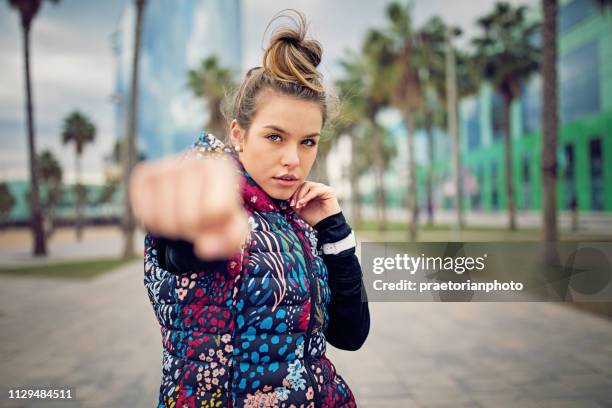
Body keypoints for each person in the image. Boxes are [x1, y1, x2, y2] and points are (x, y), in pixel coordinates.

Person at [130, 10, 370, 408]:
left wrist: (333, 230)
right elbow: (184, 252)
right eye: (275, 137)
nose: (293, 158)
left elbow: (350, 334)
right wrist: (187, 224)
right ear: (238, 134)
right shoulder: (218, 201)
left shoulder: (298, 219)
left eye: (308, 142)